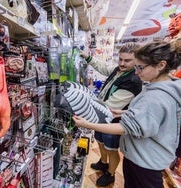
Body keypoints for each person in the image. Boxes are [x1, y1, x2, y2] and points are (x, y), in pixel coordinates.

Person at [73, 40, 181, 188]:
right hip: (145, 157)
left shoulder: (154, 95)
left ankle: (110, 174)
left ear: (161, 65)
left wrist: (87, 124)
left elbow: (126, 127)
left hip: (145, 162)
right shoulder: (159, 87)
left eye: (140, 67)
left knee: (112, 151)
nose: (136, 72)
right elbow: (152, 116)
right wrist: (125, 111)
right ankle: (104, 166)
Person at [80, 42, 143, 186]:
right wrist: (87, 57)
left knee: (112, 149)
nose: (122, 63)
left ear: (136, 61)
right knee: (101, 142)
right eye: (120, 59)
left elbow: (111, 106)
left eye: (127, 60)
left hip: (114, 123)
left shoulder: (133, 80)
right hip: (101, 118)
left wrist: (84, 105)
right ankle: (103, 163)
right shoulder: (119, 70)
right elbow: (103, 67)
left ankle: (111, 174)